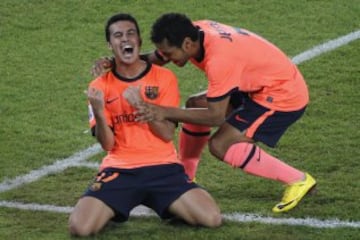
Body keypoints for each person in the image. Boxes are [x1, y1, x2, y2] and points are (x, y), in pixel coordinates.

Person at [121, 13, 317, 214]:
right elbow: (155, 59)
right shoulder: (192, 33)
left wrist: (163, 112)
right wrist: (117, 63)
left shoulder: (220, 60)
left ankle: (299, 180)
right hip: (257, 83)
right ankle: (185, 177)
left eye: (170, 53)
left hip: (282, 96)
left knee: (221, 144)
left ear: (187, 44)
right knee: (196, 104)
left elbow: (214, 116)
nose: (167, 58)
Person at [68, 13, 222, 237]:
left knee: (211, 218)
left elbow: (167, 134)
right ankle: (117, 204)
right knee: (80, 228)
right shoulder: (98, 86)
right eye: (118, 36)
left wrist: (142, 106)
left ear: (139, 41)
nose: (125, 39)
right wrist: (100, 113)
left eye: (131, 34)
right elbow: (108, 145)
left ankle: (160, 202)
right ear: (110, 45)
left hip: (164, 168)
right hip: (120, 170)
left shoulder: (164, 78)